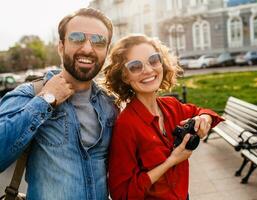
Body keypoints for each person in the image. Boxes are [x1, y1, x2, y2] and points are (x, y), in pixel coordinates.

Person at [0, 8, 118, 200]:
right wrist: (46, 100)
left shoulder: (110, 105)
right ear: (61, 47)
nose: (88, 48)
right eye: (77, 38)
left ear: (107, 50)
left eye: (98, 41)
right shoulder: (30, 95)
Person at [104, 34, 224, 199]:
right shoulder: (126, 125)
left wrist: (204, 119)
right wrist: (171, 161)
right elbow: (122, 194)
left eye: (153, 60)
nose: (148, 70)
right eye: (135, 66)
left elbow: (205, 112)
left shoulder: (172, 105)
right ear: (125, 76)